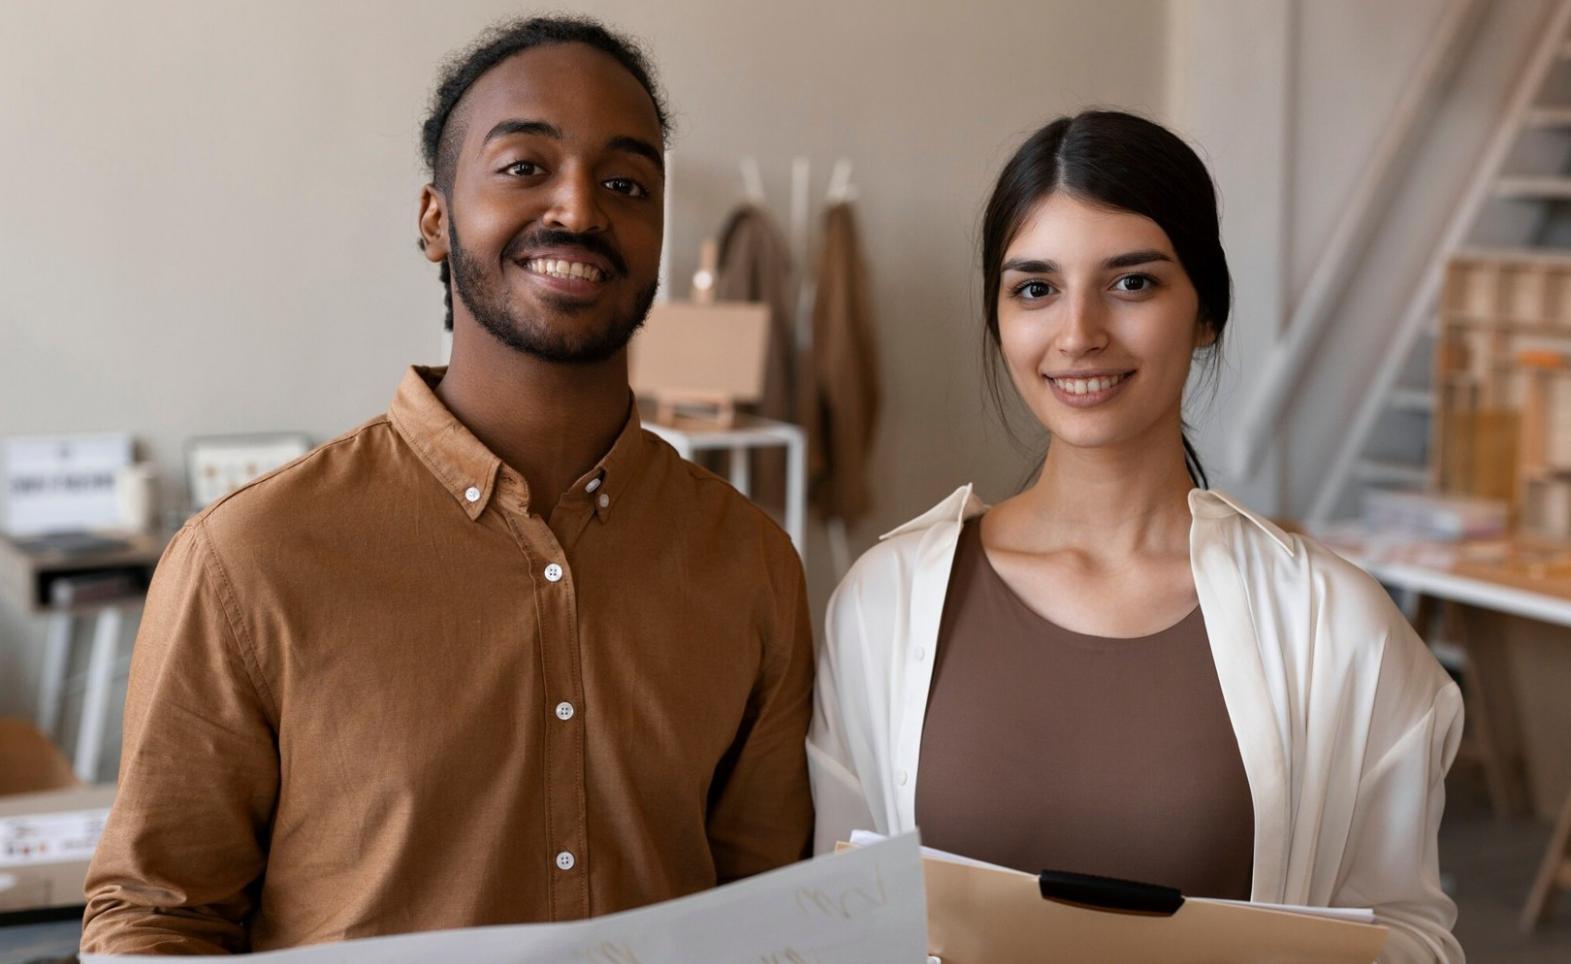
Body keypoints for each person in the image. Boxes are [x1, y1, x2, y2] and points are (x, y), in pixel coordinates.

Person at [82, 16, 814, 954]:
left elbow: (767, 911)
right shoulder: (248, 559)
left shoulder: (749, 563)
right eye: (524, 168)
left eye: (626, 183)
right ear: (435, 218)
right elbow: (158, 917)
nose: (580, 211)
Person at [808, 111, 1463, 962]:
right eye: (1034, 288)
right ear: (998, 318)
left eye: (1131, 283)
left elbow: (1411, 936)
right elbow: (836, 920)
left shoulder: (1335, 627)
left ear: (1205, 311)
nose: (1078, 333)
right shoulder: (881, 604)